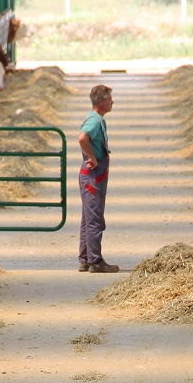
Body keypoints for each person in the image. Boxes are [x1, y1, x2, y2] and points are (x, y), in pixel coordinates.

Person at [76, 84, 118, 273]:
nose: (112, 102)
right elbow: (82, 138)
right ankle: (95, 261)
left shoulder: (97, 119)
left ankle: (85, 259)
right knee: (94, 219)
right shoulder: (93, 121)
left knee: (88, 218)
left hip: (93, 176)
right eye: (110, 99)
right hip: (93, 177)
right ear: (101, 102)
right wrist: (92, 157)